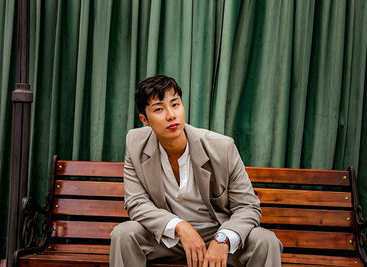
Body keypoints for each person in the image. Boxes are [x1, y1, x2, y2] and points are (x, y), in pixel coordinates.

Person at [109, 75, 282, 267]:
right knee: (124, 234)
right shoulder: (136, 144)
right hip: (169, 238)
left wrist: (223, 238)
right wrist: (181, 227)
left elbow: (248, 207)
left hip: (216, 233)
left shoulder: (221, 147)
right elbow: (136, 203)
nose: (171, 115)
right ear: (144, 120)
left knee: (265, 241)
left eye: (175, 105)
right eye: (159, 109)